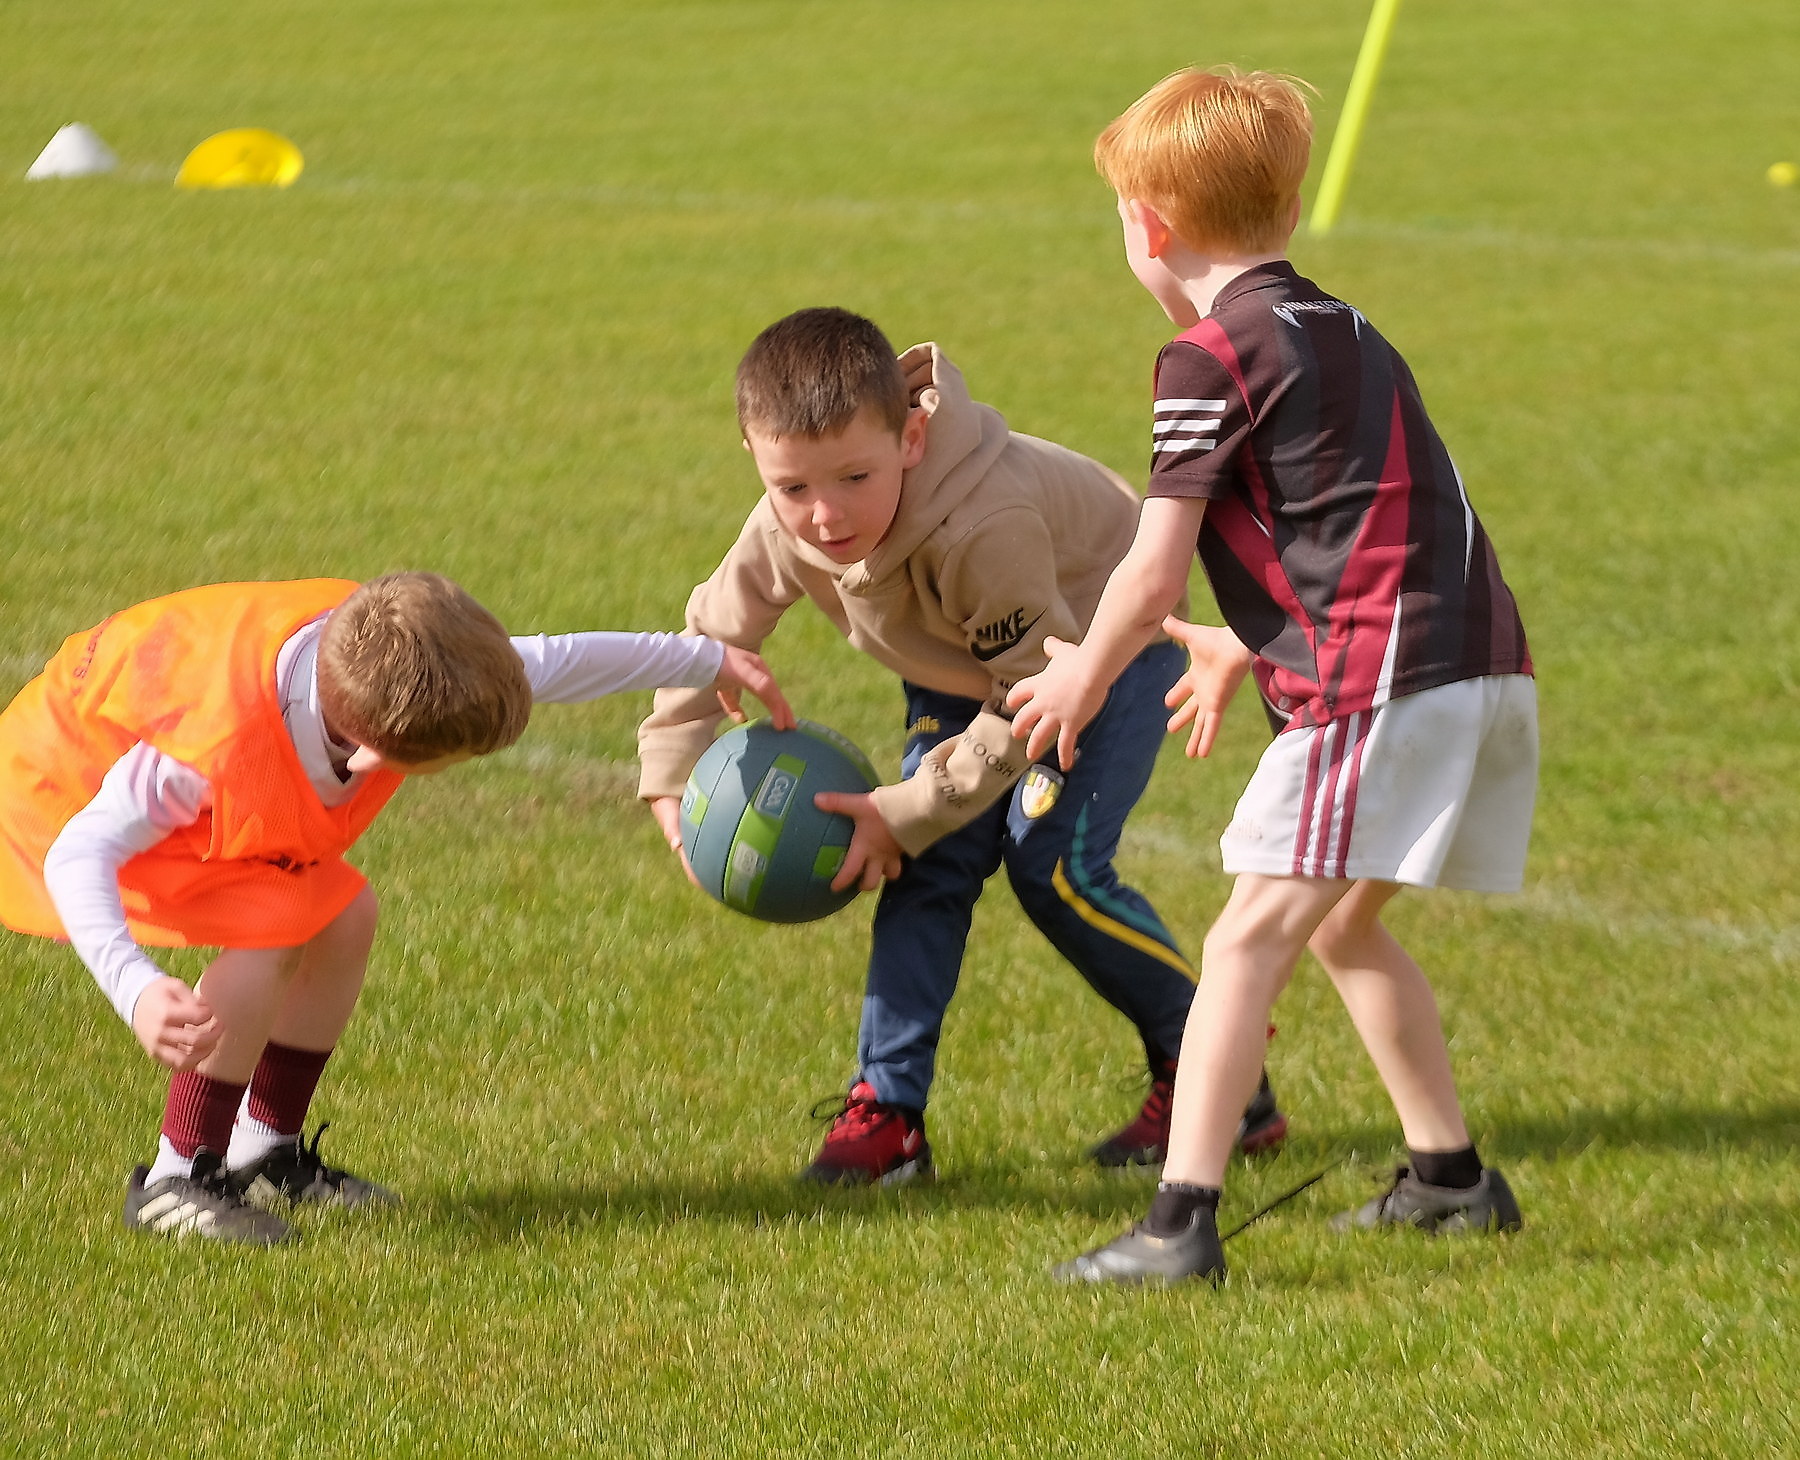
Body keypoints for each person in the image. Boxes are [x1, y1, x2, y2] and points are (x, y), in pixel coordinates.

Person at [1007, 66, 1537, 1284]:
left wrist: (1082, 679)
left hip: (1383, 685)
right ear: (1287, 215)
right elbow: (1369, 512)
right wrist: (1250, 640)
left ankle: (1178, 1224)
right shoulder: (1346, 326)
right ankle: (1452, 1180)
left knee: (1247, 936)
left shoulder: (1201, 357)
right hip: (1480, 663)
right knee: (1345, 929)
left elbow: (1147, 576)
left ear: (1149, 225)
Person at [637, 306, 1287, 1185]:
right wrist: (672, 781)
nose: (823, 517)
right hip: (968, 668)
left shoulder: (983, 524)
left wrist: (903, 808)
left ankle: (1218, 1068)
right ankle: (889, 1117)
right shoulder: (786, 524)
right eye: (792, 488)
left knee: (1054, 867)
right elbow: (709, 637)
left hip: (1097, 651)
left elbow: (1032, 697)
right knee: (924, 861)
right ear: (757, 458)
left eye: (852, 477)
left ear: (911, 437)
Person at [0, 572, 789, 1245]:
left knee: (347, 913)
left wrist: (708, 658)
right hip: (54, 804)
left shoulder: (403, 666)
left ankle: (262, 1153)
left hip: (153, 788)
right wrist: (135, 986)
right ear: (374, 756)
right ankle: (176, 1179)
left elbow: (554, 659)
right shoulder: (203, 757)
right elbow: (80, 854)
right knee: (283, 926)